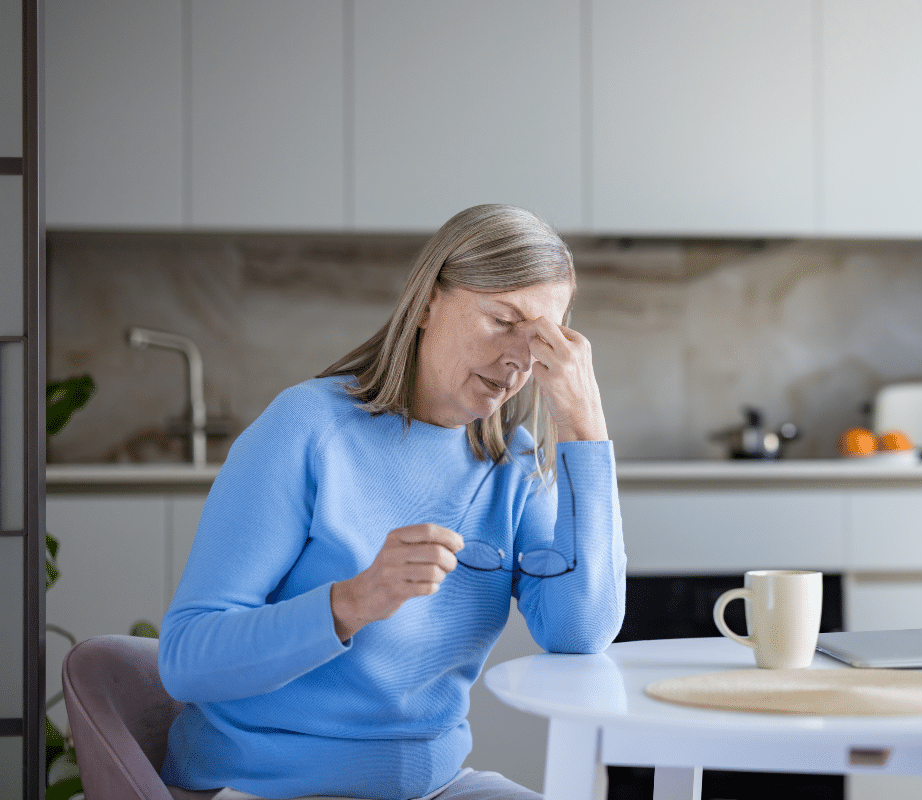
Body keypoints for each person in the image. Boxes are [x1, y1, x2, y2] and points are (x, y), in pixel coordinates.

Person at [157, 204, 626, 800]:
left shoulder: (514, 466)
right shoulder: (308, 429)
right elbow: (185, 658)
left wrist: (586, 430)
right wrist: (352, 602)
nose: (518, 360)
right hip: (265, 787)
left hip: (435, 786)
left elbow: (578, 632)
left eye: (540, 340)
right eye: (502, 320)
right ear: (429, 300)